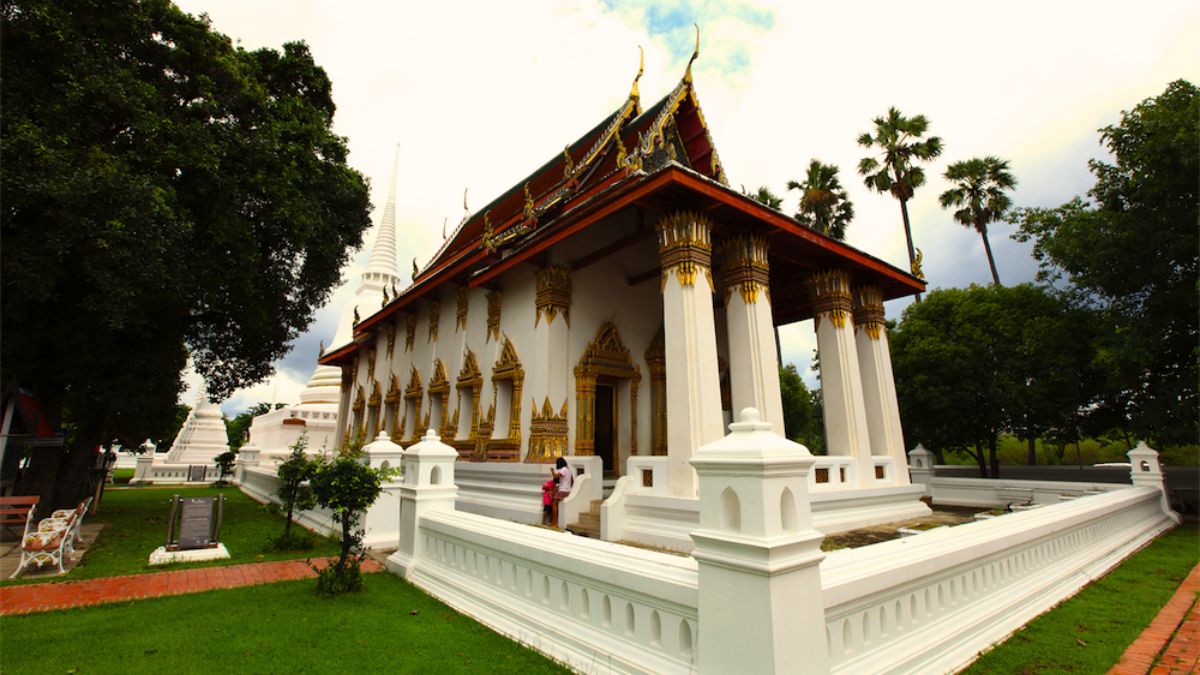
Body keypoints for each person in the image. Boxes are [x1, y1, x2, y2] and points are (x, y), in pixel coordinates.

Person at [550, 457, 573, 527]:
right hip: (567, 490)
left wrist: (552, 471)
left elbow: (556, 476)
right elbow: (572, 480)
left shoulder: (563, 469)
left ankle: (555, 522)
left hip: (563, 491)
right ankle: (555, 522)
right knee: (557, 503)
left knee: (554, 503)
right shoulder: (568, 470)